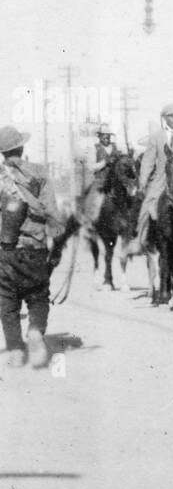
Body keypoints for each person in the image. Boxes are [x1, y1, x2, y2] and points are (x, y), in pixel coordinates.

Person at [0, 126, 72, 368]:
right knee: (38, 296)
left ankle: (15, 351)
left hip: (6, 249)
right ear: (21, 148)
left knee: (7, 301)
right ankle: (35, 333)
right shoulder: (39, 174)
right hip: (36, 247)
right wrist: (58, 241)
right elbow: (53, 212)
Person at [128, 103, 173, 256]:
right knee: (147, 204)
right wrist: (143, 181)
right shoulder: (156, 137)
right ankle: (139, 238)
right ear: (165, 118)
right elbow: (148, 161)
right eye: (171, 116)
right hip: (161, 180)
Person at [79, 123, 121, 226]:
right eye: (104, 135)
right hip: (100, 181)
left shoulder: (115, 147)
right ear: (99, 136)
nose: (106, 138)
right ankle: (90, 223)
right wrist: (105, 162)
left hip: (115, 181)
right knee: (95, 202)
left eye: (108, 135)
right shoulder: (94, 148)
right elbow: (91, 166)